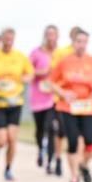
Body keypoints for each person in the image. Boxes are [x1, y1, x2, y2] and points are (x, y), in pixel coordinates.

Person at [50, 29, 92, 182]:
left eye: (84, 41)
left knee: (90, 141)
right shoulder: (64, 61)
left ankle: (83, 165)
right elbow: (51, 82)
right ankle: (74, 177)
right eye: (78, 41)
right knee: (73, 142)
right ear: (73, 43)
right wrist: (63, 93)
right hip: (68, 107)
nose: (81, 44)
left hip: (87, 107)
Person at [0, 28, 34, 181]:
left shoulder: (20, 56)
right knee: (1, 140)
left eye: (11, 39)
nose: (8, 42)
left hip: (15, 101)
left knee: (12, 138)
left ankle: (8, 169)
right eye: (6, 39)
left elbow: (30, 74)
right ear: (1, 39)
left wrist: (25, 79)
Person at [47, 26, 81, 177]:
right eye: (76, 36)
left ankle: (78, 164)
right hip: (61, 99)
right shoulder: (61, 53)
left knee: (79, 133)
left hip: (80, 100)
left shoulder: (85, 56)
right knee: (61, 132)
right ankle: (58, 158)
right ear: (71, 36)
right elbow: (53, 74)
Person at [29, 25, 60, 172]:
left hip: (54, 97)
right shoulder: (36, 52)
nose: (51, 37)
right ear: (44, 35)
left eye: (53, 34)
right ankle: (41, 149)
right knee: (40, 129)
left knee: (52, 128)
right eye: (48, 34)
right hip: (38, 96)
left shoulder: (60, 54)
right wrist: (43, 71)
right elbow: (27, 72)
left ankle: (50, 161)